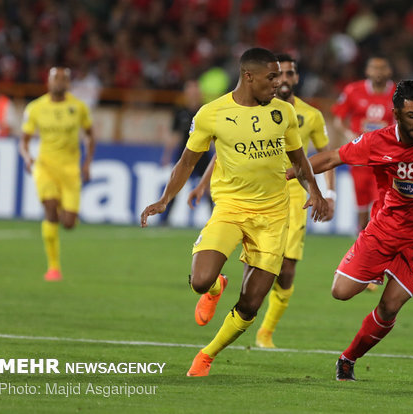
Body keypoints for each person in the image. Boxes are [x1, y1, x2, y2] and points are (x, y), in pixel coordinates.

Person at [140, 47, 328, 377]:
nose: (278, 84)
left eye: (281, 76)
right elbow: (187, 161)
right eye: (272, 77)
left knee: (251, 303)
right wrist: (166, 199)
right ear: (248, 76)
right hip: (230, 209)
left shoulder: (283, 113)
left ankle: (207, 354)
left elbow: (300, 159)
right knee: (200, 281)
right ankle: (215, 287)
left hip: (273, 216)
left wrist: (316, 191)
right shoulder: (212, 113)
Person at [295, 80, 413, 381]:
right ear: (396, 113)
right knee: (340, 292)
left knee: (390, 306)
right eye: (412, 116)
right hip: (384, 230)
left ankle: (348, 359)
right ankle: (377, 270)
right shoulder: (376, 141)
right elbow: (331, 158)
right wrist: (287, 173)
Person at [187, 53, 337, 349]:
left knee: (287, 270)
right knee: (239, 272)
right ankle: (219, 290)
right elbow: (226, 149)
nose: (284, 80)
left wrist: (324, 193)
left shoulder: (309, 115)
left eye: (290, 74)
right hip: (243, 196)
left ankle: (265, 331)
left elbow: (321, 156)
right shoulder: (237, 110)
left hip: (291, 197)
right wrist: (203, 182)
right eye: (277, 75)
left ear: (295, 78)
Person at [19, 67, 95, 281]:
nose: (59, 82)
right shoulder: (35, 108)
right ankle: (53, 268)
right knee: (50, 209)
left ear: (69, 84)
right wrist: (27, 157)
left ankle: (67, 211)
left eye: (64, 79)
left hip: (70, 170)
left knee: (68, 224)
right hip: (45, 167)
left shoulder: (78, 107)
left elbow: (90, 136)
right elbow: (24, 141)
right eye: (56, 78)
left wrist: (87, 162)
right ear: (48, 82)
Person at [332, 55, 396, 231]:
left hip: (384, 158)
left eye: (382, 68)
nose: (378, 72)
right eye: (374, 68)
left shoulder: (398, 93)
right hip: (360, 156)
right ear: (367, 71)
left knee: (380, 201)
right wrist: (349, 135)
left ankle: (377, 237)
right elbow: (339, 119)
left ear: (389, 71)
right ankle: (362, 235)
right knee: (360, 199)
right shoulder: (353, 90)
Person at [160, 80, 211, 223]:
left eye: (195, 90)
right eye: (190, 90)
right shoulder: (180, 112)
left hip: (202, 154)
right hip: (184, 155)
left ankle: (214, 218)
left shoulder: (206, 110)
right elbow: (174, 134)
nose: (193, 94)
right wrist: (167, 155)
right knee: (175, 185)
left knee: (207, 187)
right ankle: (165, 219)